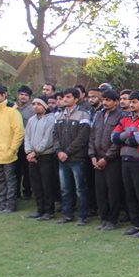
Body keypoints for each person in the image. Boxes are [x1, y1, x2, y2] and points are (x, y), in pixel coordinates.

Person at [112, 90, 139, 238]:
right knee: (130, 194)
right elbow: (114, 137)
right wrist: (130, 133)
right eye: (130, 102)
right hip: (125, 160)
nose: (131, 104)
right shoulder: (124, 119)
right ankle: (135, 223)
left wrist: (124, 135)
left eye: (134, 102)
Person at [0, 85, 25, 213]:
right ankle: (1, 203)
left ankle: (11, 205)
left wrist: (12, 150)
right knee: (0, 180)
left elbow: (19, 132)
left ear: (4, 95)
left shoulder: (12, 112)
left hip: (8, 154)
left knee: (10, 180)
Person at [54, 87, 91, 225]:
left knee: (80, 188)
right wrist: (58, 151)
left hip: (77, 158)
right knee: (65, 189)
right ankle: (67, 214)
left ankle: (83, 216)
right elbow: (55, 136)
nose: (65, 99)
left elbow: (82, 138)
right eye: (64, 97)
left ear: (76, 99)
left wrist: (67, 152)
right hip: (62, 158)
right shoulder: (59, 116)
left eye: (69, 97)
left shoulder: (83, 115)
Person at [88, 89, 123, 231]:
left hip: (112, 160)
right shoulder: (98, 115)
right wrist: (93, 156)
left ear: (116, 102)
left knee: (113, 191)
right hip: (97, 159)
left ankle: (112, 220)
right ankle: (103, 218)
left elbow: (118, 141)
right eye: (104, 100)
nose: (105, 103)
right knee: (100, 191)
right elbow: (92, 136)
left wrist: (106, 158)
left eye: (108, 100)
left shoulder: (121, 116)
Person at [24, 96, 57, 220]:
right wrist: (29, 151)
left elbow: (48, 139)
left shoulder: (50, 119)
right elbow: (26, 136)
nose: (36, 106)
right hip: (32, 157)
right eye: (34, 104)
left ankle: (49, 211)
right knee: (36, 184)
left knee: (47, 184)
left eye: (39, 104)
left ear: (45, 106)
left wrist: (36, 152)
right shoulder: (31, 120)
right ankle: (40, 209)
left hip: (46, 156)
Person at [15, 85, 35, 200]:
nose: (23, 97)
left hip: (27, 145)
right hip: (15, 145)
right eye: (21, 94)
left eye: (26, 95)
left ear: (29, 98)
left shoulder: (32, 109)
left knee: (27, 170)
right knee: (15, 170)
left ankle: (27, 191)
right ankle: (16, 192)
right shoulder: (13, 109)